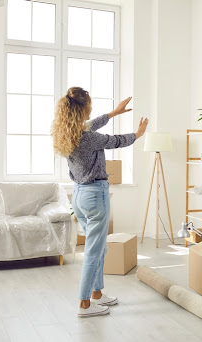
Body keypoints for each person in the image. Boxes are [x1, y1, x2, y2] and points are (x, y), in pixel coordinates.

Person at [52, 87, 149, 317]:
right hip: (95, 195)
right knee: (94, 252)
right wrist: (138, 134)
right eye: (90, 104)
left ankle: (96, 294)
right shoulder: (87, 138)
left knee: (98, 248)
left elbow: (93, 124)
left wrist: (114, 113)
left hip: (78, 197)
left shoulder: (69, 132)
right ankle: (84, 304)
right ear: (82, 108)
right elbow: (115, 141)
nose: (92, 108)